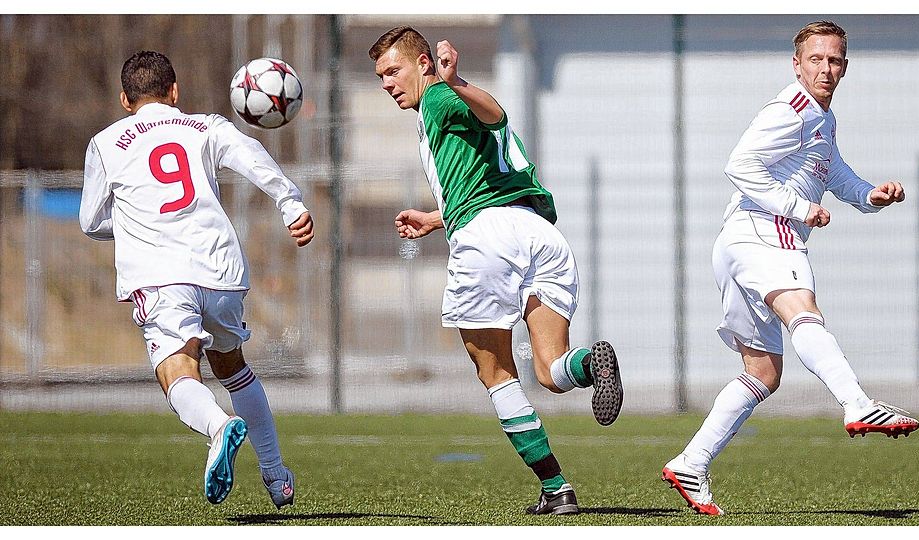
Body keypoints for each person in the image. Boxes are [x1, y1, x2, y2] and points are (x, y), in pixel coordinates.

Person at [661, 20, 919, 516]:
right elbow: (739, 164)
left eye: (835, 60)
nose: (826, 68)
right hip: (765, 229)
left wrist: (870, 195)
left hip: (738, 241)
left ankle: (691, 463)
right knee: (804, 311)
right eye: (816, 59)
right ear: (797, 64)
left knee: (762, 373)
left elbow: (834, 173)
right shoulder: (791, 109)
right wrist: (799, 208)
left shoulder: (823, 119)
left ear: (845, 67)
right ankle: (857, 403)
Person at [368, 26, 624, 516]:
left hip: (488, 239)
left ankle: (557, 489)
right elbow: (487, 173)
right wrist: (436, 218)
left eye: (393, 71)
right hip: (540, 236)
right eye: (380, 76)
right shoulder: (440, 110)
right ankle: (591, 366)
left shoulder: (438, 99)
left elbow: (494, 113)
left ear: (423, 63)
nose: (386, 84)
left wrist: (455, 82)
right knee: (550, 370)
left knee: (495, 372)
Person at [79, 51, 313, 508]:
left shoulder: (106, 143)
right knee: (234, 369)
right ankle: (275, 475)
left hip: (161, 276)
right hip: (221, 270)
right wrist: (290, 203)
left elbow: (90, 221)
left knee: (177, 370)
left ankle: (218, 426)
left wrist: (134, 224)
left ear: (125, 99)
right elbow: (251, 156)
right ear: (174, 91)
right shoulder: (204, 126)